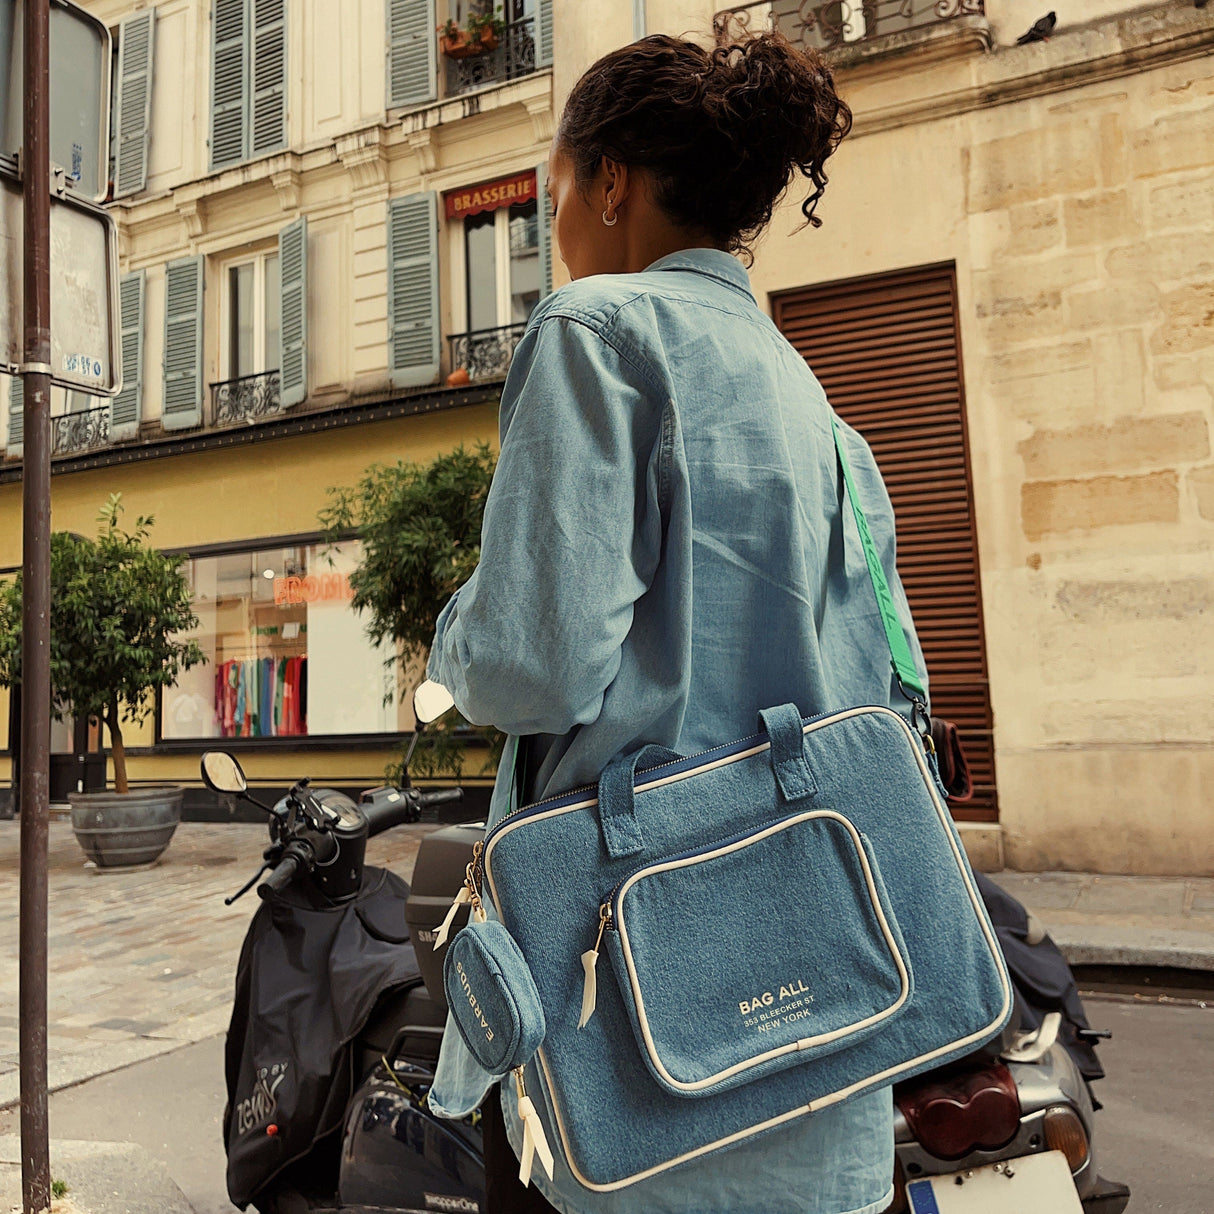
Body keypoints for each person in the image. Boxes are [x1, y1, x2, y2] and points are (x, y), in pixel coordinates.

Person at [425, 27, 929, 1214]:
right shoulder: (827, 418)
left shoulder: (595, 334)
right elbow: (892, 691)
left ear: (607, 183)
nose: (552, 231)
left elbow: (529, 664)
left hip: (643, 1027)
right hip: (828, 1015)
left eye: (549, 199)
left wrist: (453, 640)